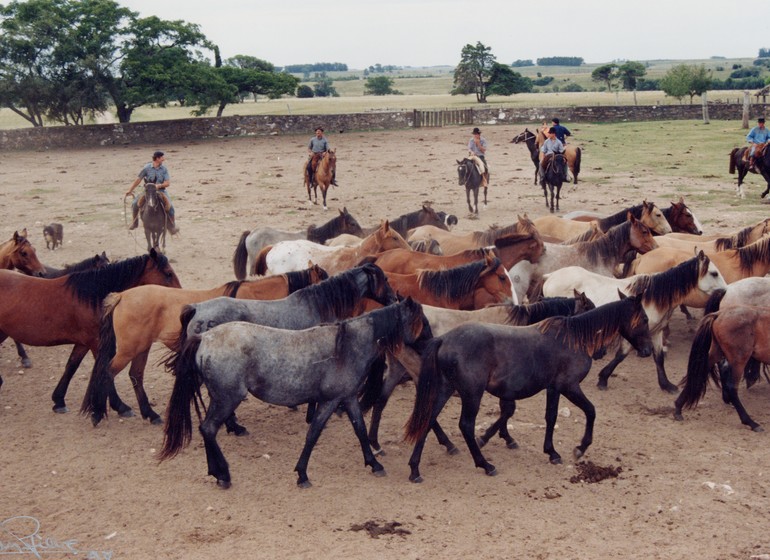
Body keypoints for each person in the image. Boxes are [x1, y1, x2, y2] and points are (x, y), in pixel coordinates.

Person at [126, 150, 178, 234]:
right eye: (162, 158)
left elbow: (167, 183)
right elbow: (139, 179)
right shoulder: (146, 168)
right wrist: (130, 190)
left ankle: (172, 226)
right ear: (157, 158)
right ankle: (135, 223)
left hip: (161, 191)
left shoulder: (164, 169)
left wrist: (159, 186)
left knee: (171, 208)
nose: (163, 159)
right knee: (135, 203)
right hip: (148, 191)